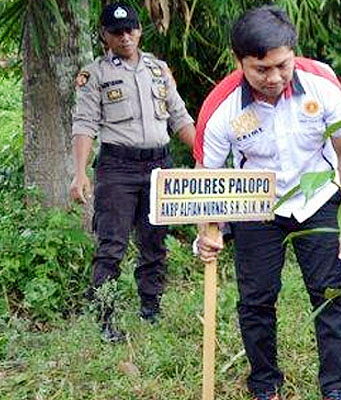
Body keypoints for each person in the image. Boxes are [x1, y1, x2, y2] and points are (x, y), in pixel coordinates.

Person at [193, 6, 341, 400]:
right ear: (240, 62)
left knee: (329, 294)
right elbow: (206, 178)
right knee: (256, 300)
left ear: (292, 53)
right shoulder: (221, 108)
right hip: (255, 205)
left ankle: (336, 388)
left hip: (317, 198)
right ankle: (264, 385)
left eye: (282, 66)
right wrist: (209, 231)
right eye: (261, 69)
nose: (274, 78)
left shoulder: (323, 84)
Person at [70, 2, 195, 343]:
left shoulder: (158, 69)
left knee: (155, 242)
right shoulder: (94, 74)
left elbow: (179, 117)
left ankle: (150, 310)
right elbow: (84, 124)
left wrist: (205, 156)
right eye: (116, 32)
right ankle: (104, 318)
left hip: (159, 165)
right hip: (117, 169)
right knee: (112, 245)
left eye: (131, 30)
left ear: (140, 30)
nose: (125, 37)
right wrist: (80, 173)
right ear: (104, 36)